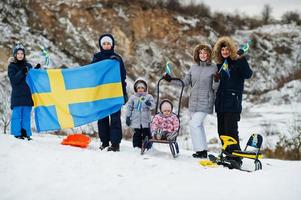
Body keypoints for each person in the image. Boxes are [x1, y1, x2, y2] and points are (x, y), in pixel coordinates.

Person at [163, 44, 218, 158]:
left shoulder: (213, 68)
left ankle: (199, 150)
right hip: (193, 101)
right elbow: (184, 83)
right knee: (199, 126)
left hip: (206, 100)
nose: (202, 55)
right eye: (200, 53)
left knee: (194, 124)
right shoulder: (193, 67)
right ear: (197, 54)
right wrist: (170, 80)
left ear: (209, 54)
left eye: (205, 53)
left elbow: (215, 87)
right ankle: (202, 151)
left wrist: (217, 80)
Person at [212, 36, 253, 161]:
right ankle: (227, 154)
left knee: (231, 131)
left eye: (227, 49)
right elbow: (216, 85)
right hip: (221, 102)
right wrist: (216, 79)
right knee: (222, 131)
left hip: (233, 102)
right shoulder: (219, 65)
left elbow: (248, 74)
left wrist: (240, 59)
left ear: (231, 49)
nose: (224, 51)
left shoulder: (238, 61)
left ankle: (236, 157)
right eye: (222, 49)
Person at [91, 33, 127, 152]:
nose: (106, 46)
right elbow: (92, 73)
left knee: (115, 118)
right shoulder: (96, 57)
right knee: (102, 118)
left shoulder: (117, 58)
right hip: (101, 93)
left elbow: (122, 77)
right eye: (104, 44)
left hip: (114, 93)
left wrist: (124, 92)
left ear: (112, 45)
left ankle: (115, 143)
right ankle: (104, 142)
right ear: (101, 45)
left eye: (108, 44)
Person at [7, 43, 36, 140]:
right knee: (17, 116)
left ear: (24, 55)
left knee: (26, 116)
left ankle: (26, 133)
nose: (20, 55)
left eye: (22, 53)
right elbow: (14, 81)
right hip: (18, 96)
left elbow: (33, 78)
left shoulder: (28, 65)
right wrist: (22, 72)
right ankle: (17, 134)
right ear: (15, 55)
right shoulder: (12, 66)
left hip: (27, 96)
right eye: (18, 53)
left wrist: (36, 70)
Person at [125, 78, 155, 149]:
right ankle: (136, 146)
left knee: (146, 133)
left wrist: (149, 103)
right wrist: (128, 117)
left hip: (145, 119)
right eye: (138, 88)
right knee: (137, 134)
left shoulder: (148, 96)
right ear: (136, 88)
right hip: (136, 119)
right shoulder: (133, 97)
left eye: (142, 88)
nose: (140, 89)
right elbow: (129, 107)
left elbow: (153, 106)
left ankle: (148, 146)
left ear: (145, 88)